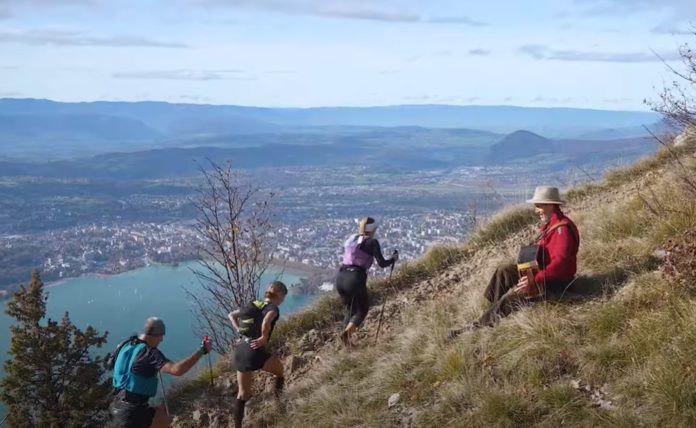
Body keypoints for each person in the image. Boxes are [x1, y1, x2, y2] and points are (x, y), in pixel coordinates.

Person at [450, 186, 580, 336]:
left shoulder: (562, 230)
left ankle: (477, 328)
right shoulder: (552, 225)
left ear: (550, 205)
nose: (536, 210)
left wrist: (535, 279)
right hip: (543, 277)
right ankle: (492, 310)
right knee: (504, 271)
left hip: (555, 286)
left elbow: (560, 264)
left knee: (512, 299)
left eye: (538, 206)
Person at [110, 317, 212, 428]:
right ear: (154, 335)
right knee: (164, 422)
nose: (161, 340)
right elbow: (177, 370)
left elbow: (112, 365)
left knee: (163, 418)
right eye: (161, 336)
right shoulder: (150, 353)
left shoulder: (125, 345)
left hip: (115, 408)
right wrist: (202, 351)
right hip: (133, 414)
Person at [228, 281, 288, 428]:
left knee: (242, 394)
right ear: (279, 295)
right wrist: (263, 338)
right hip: (255, 351)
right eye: (283, 297)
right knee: (280, 373)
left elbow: (231, 315)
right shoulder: (273, 308)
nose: (283, 301)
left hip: (241, 350)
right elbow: (267, 321)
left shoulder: (255, 304)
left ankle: (237, 426)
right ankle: (279, 402)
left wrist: (238, 330)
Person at [336, 217, 398, 348]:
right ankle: (347, 335)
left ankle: (344, 344)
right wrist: (393, 259)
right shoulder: (372, 242)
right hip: (355, 278)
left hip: (340, 277)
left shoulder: (351, 238)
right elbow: (381, 263)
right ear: (373, 230)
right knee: (362, 309)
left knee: (350, 309)